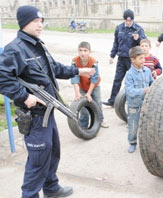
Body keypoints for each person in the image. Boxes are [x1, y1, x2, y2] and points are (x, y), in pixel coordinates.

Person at [0, 5, 95, 198]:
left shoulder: (36, 45)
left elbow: (54, 69)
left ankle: (51, 189)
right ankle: (30, 195)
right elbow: (2, 76)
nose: (40, 25)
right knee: (38, 159)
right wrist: (24, 96)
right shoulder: (15, 49)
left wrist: (79, 71)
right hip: (34, 116)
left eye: (41, 21)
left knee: (52, 152)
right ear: (24, 23)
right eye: (35, 21)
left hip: (47, 112)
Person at [103, 9, 146, 107]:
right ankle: (112, 100)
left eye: (130, 21)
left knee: (134, 80)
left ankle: (138, 100)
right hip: (121, 58)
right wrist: (112, 56)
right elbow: (116, 43)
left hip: (133, 60)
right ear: (124, 19)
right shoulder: (119, 28)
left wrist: (138, 39)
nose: (128, 22)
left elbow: (144, 44)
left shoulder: (138, 29)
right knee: (117, 79)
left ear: (133, 20)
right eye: (126, 21)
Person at [71, 41, 108, 128]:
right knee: (83, 105)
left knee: (97, 103)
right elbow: (74, 77)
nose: (82, 53)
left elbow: (94, 79)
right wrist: (77, 93)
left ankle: (100, 120)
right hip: (82, 86)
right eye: (80, 50)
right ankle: (83, 124)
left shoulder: (93, 62)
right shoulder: (75, 61)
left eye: (85, 50)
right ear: (78, 51)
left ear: (89, 52)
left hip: (94, 86)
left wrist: (89, 93)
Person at [125, 46, 154, 153]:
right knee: (133, 125)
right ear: (133, 60)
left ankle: (146, 143)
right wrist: (144, 90)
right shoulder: (129, 75)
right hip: (134, 105)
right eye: (140, 58)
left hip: (146, 104)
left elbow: (152, 83)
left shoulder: (147, 71)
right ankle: (132, 142)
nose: (143, 60)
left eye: (144, 57)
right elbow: (129, 91)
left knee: (147, 124)